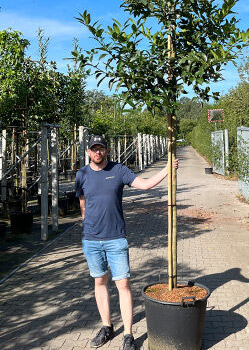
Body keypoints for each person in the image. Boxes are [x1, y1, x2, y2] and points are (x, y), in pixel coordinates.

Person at [75, 134, 179, 350]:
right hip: (91, 240)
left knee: (123, 284)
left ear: (107, 150)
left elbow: (145, 185)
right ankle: (107, 327)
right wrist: (86, 224)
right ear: (88, 152)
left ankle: (128, 334)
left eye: (101, 148)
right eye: (94, 149)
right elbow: (82, 202)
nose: (98, 152)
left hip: (115, 238)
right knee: (99, 282)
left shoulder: (119, 170)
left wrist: (167, 169)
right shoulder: (81, 174)